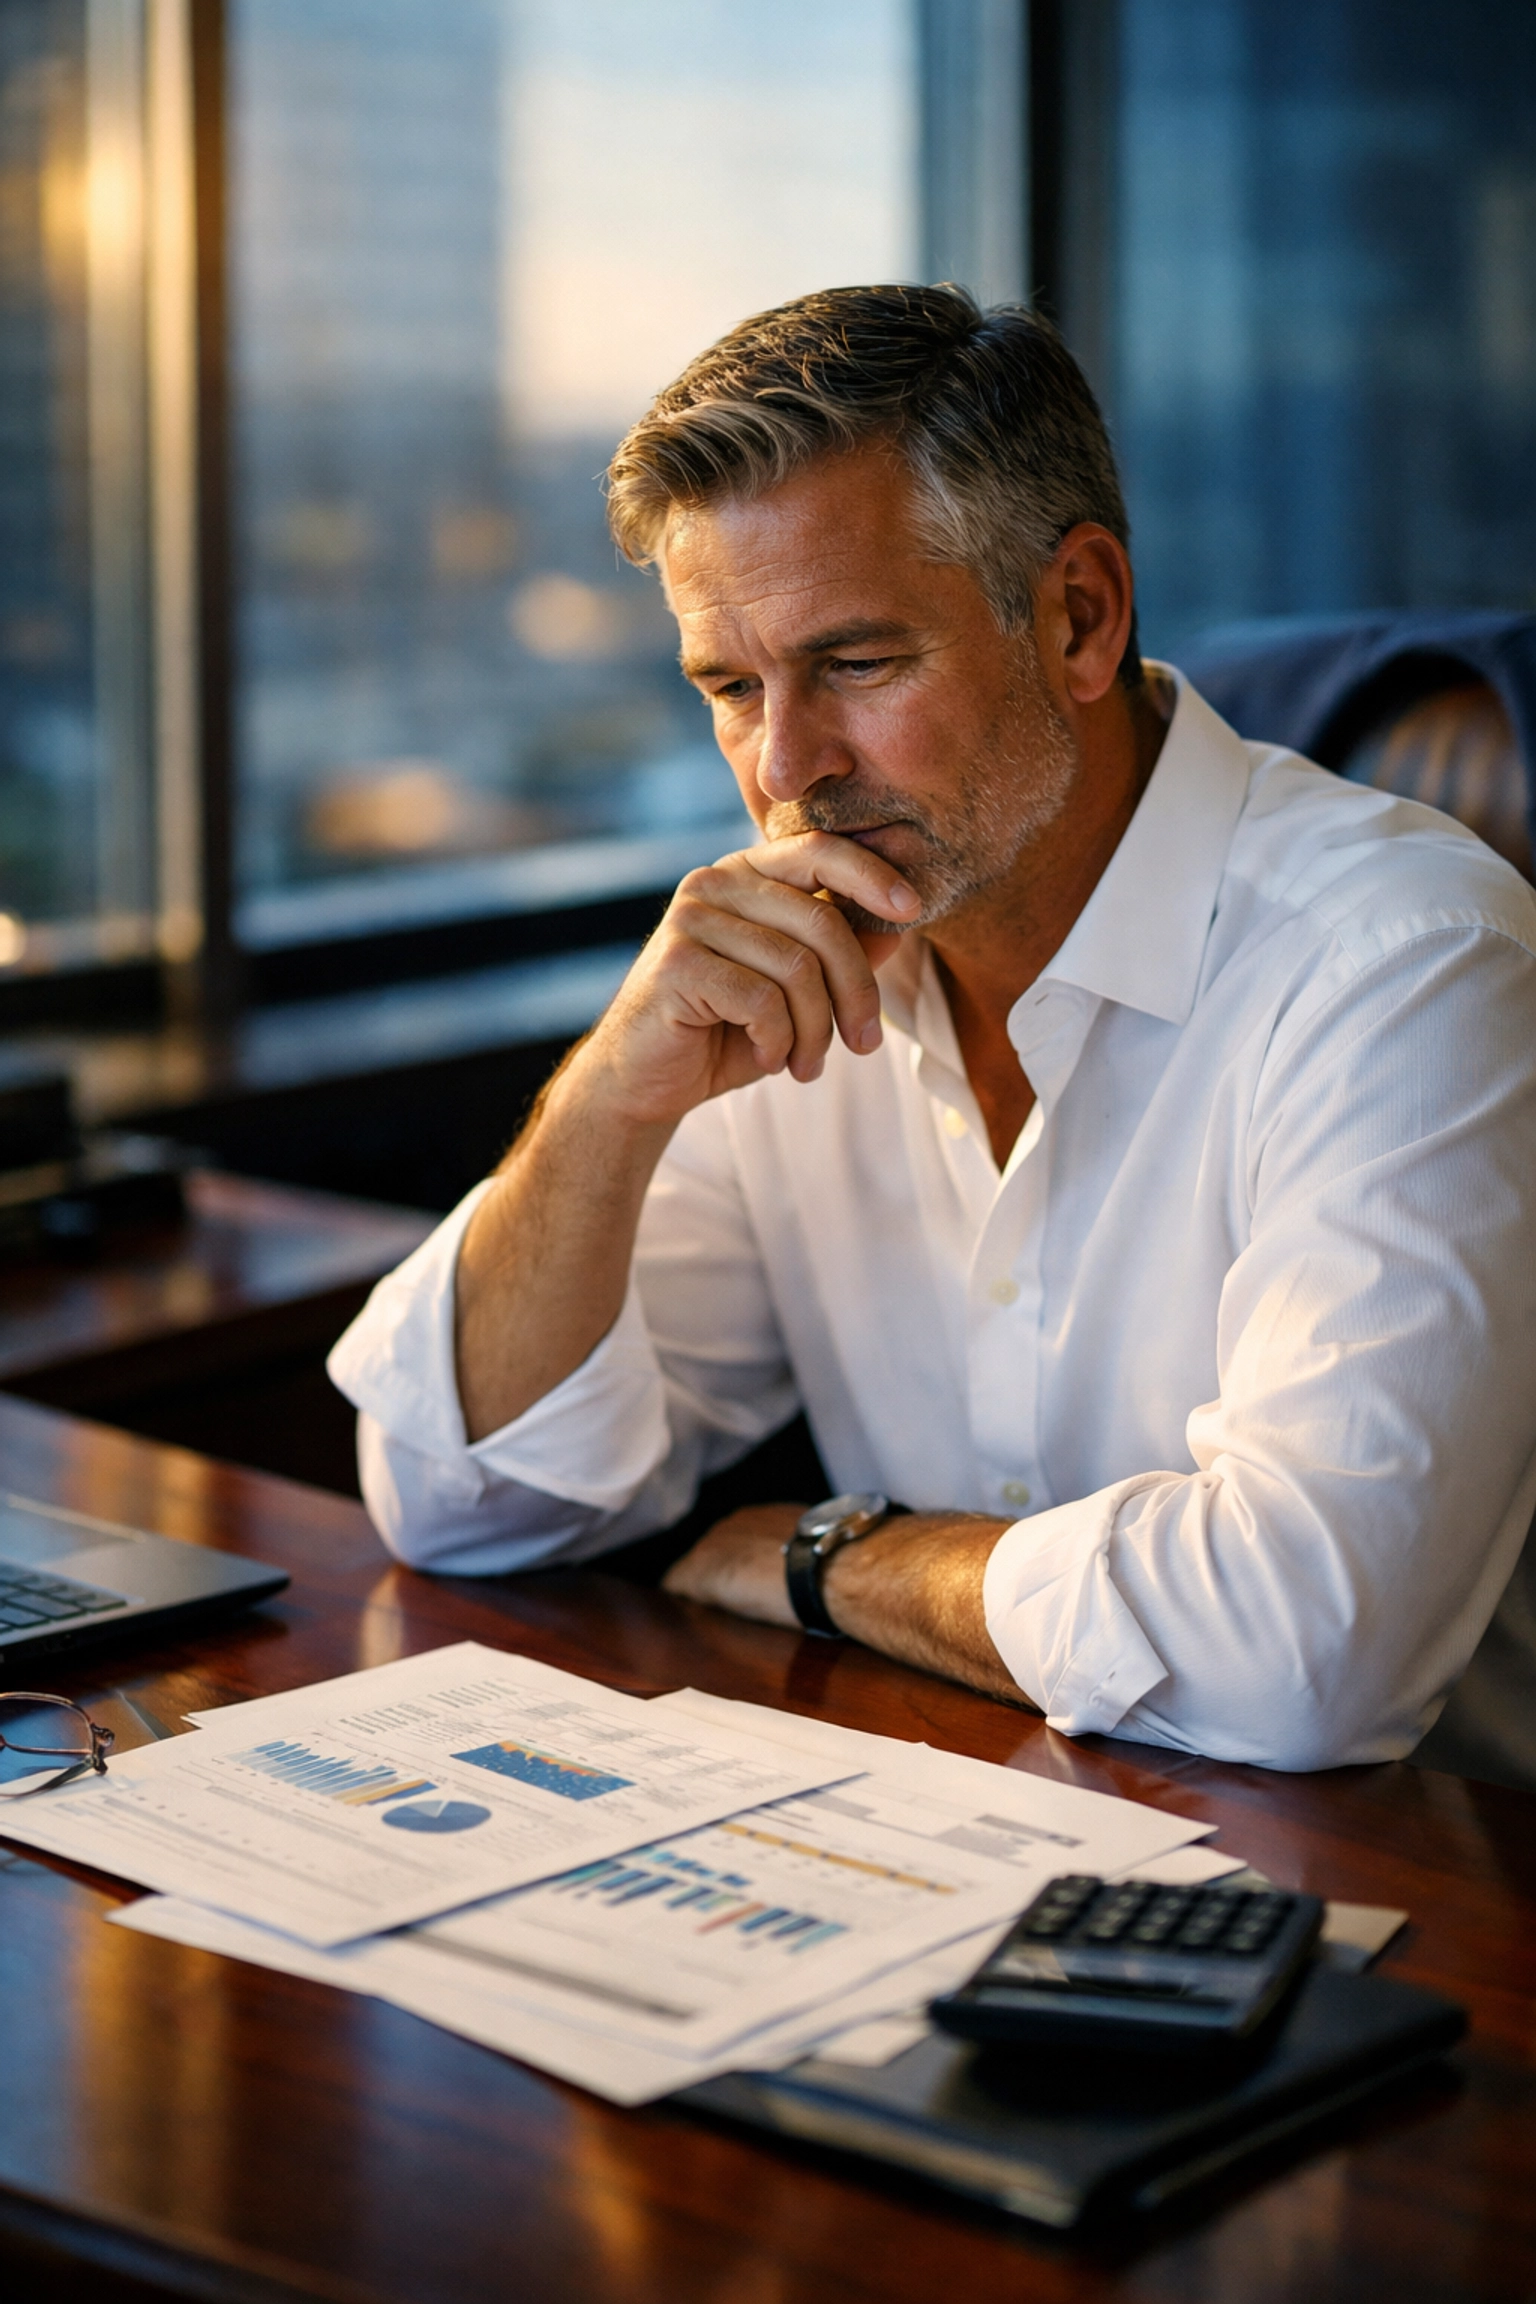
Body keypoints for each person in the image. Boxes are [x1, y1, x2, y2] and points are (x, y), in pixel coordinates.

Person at [331, 284, 1536, 1775]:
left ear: (1079, 616)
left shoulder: (1407, 961)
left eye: (857, 665)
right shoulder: (791, 958)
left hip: (1423, 1906)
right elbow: (465, 1499)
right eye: (728, 686)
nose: (786, 770)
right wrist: (608, 1104)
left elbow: (1303, 1658)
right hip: (953, 1833)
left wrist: (831, 1559)